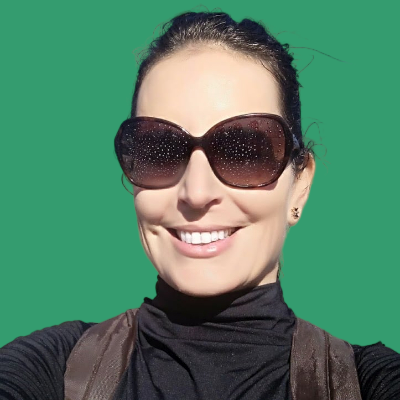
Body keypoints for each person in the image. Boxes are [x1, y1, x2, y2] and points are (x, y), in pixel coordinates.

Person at [1, 10, 400, 400]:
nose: (195, 192)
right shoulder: (54, 368)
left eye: (244, 151)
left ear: (299, 186)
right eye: (159, 150)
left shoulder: (364, 383)